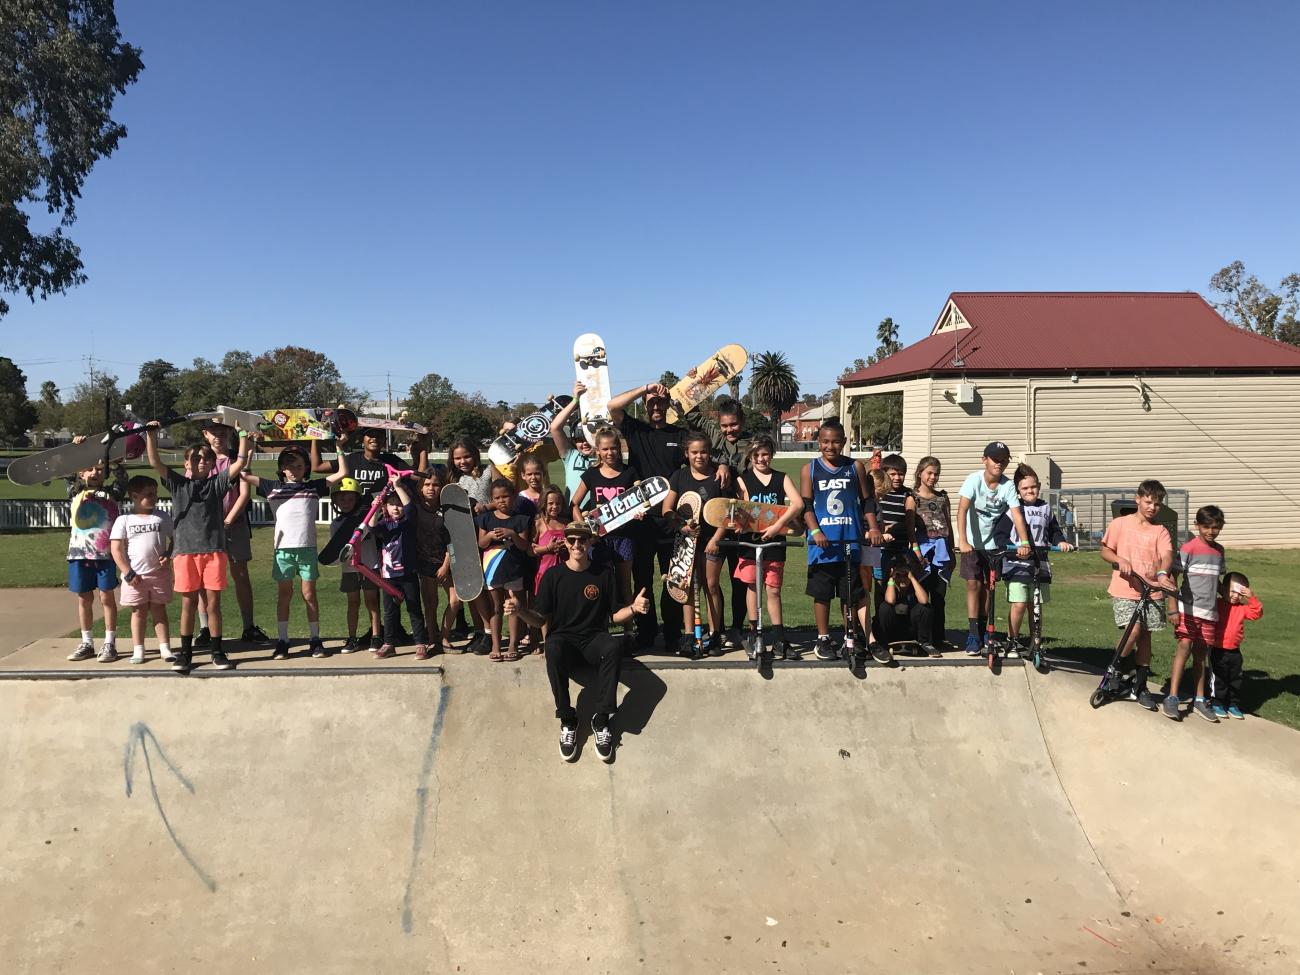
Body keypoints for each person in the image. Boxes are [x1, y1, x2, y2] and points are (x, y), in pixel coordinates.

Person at [506, 520, 650, 763]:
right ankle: (567, 720)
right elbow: (540, 617)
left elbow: (614, 616)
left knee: (613, 646)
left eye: (582, 539)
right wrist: (520, 610)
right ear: (565, 542)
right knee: (552, 645)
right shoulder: (553, 576)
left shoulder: (603, 573)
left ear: (590, 541)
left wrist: (634, 609)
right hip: (565, 641)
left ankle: (601, 721)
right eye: (571, 539)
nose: (576, 544)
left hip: (594, 639)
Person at [145, 423, 250, 673]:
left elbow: (240, 464)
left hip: (214, 552)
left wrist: (244, 436)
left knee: (213, 604)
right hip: (185, 553)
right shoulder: (179, 485)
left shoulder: (217, 484)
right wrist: (151, 435)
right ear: (186, 463)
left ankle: (217, 651)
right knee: (188, 604)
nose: (201, 462)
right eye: (195, 458)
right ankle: (186, 653)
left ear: (213, 464)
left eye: (206, 459)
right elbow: (154, 461)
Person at [241, 441, 349, 659]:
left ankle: (315, 639)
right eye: (289, 466)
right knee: (285, 595)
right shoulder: (272, 487)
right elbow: (244, 475)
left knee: (309, 595)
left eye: (299, 466)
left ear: (306, 468)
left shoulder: (313, 487)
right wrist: (250, 449)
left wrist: (339, 447)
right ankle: (283, 640)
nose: (294, 470)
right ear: (282, 468)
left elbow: (343, 472)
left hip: (307, 550)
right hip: (283, 552)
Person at [799, 419, 887, 662]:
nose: (830, 446)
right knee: (823, 593)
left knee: (852, 593)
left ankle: (851, 635)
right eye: (825, 441)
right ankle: (823, 638)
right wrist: (815, 532)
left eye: (836, 441)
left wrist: (873, 527)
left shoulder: (855, 467)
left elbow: (867, 501)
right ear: (818, 442)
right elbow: (806, 505)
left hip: (850, 540)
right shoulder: (810, 469)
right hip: (824, 544)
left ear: (844, 442)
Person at [1098, 479, 1175, 711]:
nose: (1152, 507)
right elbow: (1105, 550)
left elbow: (1167, 555)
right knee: (1133, 630)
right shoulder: (1120, 524)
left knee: (1145, 638)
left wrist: (1162, 574)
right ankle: (1116, 670)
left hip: (1151, 590)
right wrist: (1119, 559)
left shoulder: (1160, 530)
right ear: (1138, 499)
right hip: (1125, 588)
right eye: (1148, 502)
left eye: (1157, 504)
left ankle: (1140, 687)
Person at [955, 441, 1032, 655]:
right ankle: (972, 633)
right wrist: (963, 540)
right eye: (995, 459)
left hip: (993, 546)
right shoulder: (973, 480)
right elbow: (962, 510)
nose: (999, 464)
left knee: (989, 588)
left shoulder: (1007, 486)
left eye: (1003, 461)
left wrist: (1024, 542)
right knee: (973, 585)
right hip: (971, 543)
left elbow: (1017, 514)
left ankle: (985, 629)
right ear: (985, 460)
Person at [732, 435, 803, 659]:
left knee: (773, 589)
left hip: (774, 542)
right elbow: (738, 511)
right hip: (750, 543)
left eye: (765, 454)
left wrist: (779, 525)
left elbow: (798, 504)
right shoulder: (743, 480)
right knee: (752, 586)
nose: (762, 459)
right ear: (750, 457)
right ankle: (755, 632)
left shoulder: (781, 478)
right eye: (757, 455)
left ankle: (780, 638)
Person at [661, 430, 730, 656]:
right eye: (694, 452)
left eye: (704, 452)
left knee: (711, 586)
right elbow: (667, 510)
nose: (699, 456)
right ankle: (689, 636)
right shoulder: (679, 477)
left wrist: (717, 538)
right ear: (686, 453)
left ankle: (715, 634)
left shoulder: (718, 476)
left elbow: (729, 511)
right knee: (688, 588)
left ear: (710, 453)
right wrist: (681, 526)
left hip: (712, 541)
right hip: (686, 542)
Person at [200, 422, 269, 646]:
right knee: (204, 580)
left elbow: (244, 493)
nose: (218, 437)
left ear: (230, 433)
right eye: (214, 433)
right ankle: (205, 628)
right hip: (206, 528)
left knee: (241, 576)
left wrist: (228, 520)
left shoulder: (234, 459)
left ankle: (248, 626)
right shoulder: (200, 460)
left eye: (223, 432)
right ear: (206, 435)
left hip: (235, 524)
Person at [995, 464, 1072, 658]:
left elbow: (1054, 531)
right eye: (1025, 488)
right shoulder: (1013, 509)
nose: (1030, 491)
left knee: (1035, 605)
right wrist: (1014, 549)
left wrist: (1061, 541)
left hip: (1039, 564)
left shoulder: (1046, 508)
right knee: (1019, 604)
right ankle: (1012, 640)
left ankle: (1035, 641)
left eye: (1033, 487)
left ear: (1038, 486)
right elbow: (1000, 536)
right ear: (1018, 491)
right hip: (1017, 563)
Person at [1166, 505, 1227, 722]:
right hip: (1187, 609)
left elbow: (1218, 581)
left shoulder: (1219, 551)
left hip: (1209, 613)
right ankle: (1172, 696)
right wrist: (1172, 608)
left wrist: (1233, 596)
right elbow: (1172, 578)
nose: (1211, 531)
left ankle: (1200, 698)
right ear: (1197, 526)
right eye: (1206, 527)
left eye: (1216, 527)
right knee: (1184, 647)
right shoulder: (1188, 548)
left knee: (1201, 655)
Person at [63, 453, 126, 662]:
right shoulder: (75, 493)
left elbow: (122, 480)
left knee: (106, 597)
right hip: (79, 554)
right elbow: (67, 476)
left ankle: (110, 643)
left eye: (99, 469)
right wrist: (77, 448)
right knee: (84, 598)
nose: (94, 473)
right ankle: (87, 642)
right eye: (89, 469)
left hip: (105, 555)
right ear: (81, 473)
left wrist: (115, 462)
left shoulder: (112, 493)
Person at [570, 427, 638, 612]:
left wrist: (639, 513)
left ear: (620, 448)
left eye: (614, 448)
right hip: (598, 539)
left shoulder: (630, 472)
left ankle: (629, 631)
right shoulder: (591, 474)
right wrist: (585, 528)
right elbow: (574, 503)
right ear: (598, 450)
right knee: (598, 583)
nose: (610, 453)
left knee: (625, 585)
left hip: (625, 537)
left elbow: (640, 503)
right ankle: (599, 629)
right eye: (605, 449)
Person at [108, 475, 174, 664]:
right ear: (135, 496)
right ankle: (138, 649)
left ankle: (165, 648)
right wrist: (128, 572)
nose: (154, 498)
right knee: (138, 612)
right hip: (135, 576)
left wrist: (168, 554)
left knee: (159, 610)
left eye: (155, 494)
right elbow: (116, 549)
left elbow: (176, 539)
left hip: (158, 574)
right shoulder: (124, 520)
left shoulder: (162, 517)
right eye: (149, 495)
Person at [371, 472, 430, 660]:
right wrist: (374, 507)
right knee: (389, 611)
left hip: (408, 573)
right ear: (385, 507)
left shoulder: (408, 522)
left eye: (398, 504)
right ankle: (389, 643)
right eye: (391, 504)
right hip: (388, 576)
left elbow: (410, 507)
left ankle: (420, 642)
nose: (396, 508)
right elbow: (371, 527)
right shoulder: (384, 524)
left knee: (414, 608)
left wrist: (397, 486)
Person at [474, 478, 533, 661]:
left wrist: (512, 534)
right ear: (492, 499)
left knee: (513, 607)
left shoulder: (521, 520)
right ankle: (496, 644)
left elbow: (524, 546)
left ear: (514, 497)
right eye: (497, 498)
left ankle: (514, 644)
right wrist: (491, 535)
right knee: (496, 607)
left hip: (514, 569)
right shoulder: (486, 519)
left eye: (505, 497)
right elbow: (481, 543)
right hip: (492, 569)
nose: (501, 501)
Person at [711, 398, 752, 645]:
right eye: (724, 426)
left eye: (734, 425)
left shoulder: (751, 444)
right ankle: (718, 628)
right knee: (712, 582)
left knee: (739, 579)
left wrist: (727, 465)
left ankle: (737, 627)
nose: (729, 430)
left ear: (742, 421)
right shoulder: (714, 437)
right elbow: (692, 414)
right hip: (714, 521)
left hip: (740, 522)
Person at [330, 477, 382, 653]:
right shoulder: (335, 524)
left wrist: (376, 508)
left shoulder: (365, 518)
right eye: (341, 498)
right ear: (335, 500)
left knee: (371, 601)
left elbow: (370, 530)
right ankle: (352, 638)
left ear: (357, 499)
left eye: (350, 498)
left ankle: (376, 636)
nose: (345, 502)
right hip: (349, 568)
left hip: (369, 564)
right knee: (352, 602)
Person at [913, 456, 954, 650]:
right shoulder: (912, 497)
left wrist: (952, 552)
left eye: (936, 474)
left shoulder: (942, 497)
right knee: (921, 597)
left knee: (939, 597)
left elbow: (948, 524)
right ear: (920, 472)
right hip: (922, 552)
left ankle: (939, 637)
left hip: (942, 552)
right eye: (929, 473)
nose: (932, 477)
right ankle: (922, 637)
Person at [1209, 572, 1263, 720]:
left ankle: (1232, 704)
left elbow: (1257, 613)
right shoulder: (1217, 604)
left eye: (1240, 593)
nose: (1235, 596)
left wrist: (1251, 597)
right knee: (1219, 678)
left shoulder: (1242, 608)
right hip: (1218, 649)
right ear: (1224, 589)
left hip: (1234, 651)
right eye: (1232, 591)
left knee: (1235, 678)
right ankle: (1217, 702)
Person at [413, 469, 452, 654]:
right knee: (430, 603)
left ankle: (444, 636)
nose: (431, 488)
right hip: (425, 562)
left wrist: (446, 565)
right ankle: (432, 638)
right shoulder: (415, 507)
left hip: (446, 561)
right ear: (421, 488)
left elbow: (453, 539)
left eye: (435, 485)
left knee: (456, 600)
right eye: (427, 485)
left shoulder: (447, 509)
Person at [311, 427, 408, 498]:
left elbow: (417, 476)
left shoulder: (392, 461)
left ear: (385, 441)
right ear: (362, 439)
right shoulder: (351, 459)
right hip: (356, 514)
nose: (374, 438)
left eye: (378, 436)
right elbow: (317, 467)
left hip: (382, 515)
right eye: (370, 435)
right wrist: (315, 437)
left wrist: (421, 451)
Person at [874, 556, 935, 654]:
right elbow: (890, 600)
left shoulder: (915, 586)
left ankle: (924, 642)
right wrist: (891, 579)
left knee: (926, 608)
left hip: (909, 628)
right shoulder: (885, 586)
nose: (902, 579)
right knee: (885, 607)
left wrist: (912, 578)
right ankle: (883, 643)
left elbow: (924, 600)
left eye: (905, 575)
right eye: (899, 575)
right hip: (892, 627)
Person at [549, 381, 595, 505]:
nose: (584, 443)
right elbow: (555, 428)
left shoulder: (604, 456)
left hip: (599, 516)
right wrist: (575, 401)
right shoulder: (570, 455)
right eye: (579, 440)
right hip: (573, 516)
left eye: (587, 438)